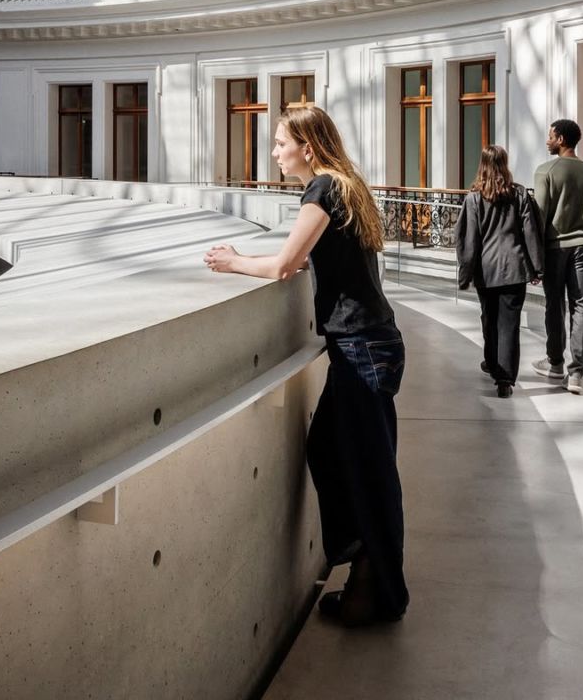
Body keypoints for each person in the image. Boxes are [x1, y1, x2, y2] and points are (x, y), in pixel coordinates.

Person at [204, 105, 408, 627]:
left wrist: (231, 261)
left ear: (307, 148)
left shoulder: (322, 190)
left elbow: (282, 267)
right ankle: (365, 566)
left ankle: (382, 591)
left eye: (279, 144)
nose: (274, 154)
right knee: (333, 451)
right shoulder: (345, 185)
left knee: (369, 475)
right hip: (366, 344)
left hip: (362, 347)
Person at [455, 145, 543, 398]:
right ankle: (505, 379)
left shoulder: (473, 199)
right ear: (505, 164)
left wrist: (465, 273)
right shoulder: (519, 195)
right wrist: (537, 267)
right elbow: (530, 233)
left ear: (482, 164)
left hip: (487, 270)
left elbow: (469, 241)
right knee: (510, 325)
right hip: (515, 270)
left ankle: (493, 364)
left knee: (489, 319)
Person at [531, 119, 583, 395]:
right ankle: (577, 374)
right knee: (582, 305)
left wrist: (534, 256)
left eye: (550, 136)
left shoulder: (546, 171)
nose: (547, 141)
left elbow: (539, 215)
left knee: (554, 304)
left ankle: (556, 362)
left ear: (560, 139)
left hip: (554, 247)